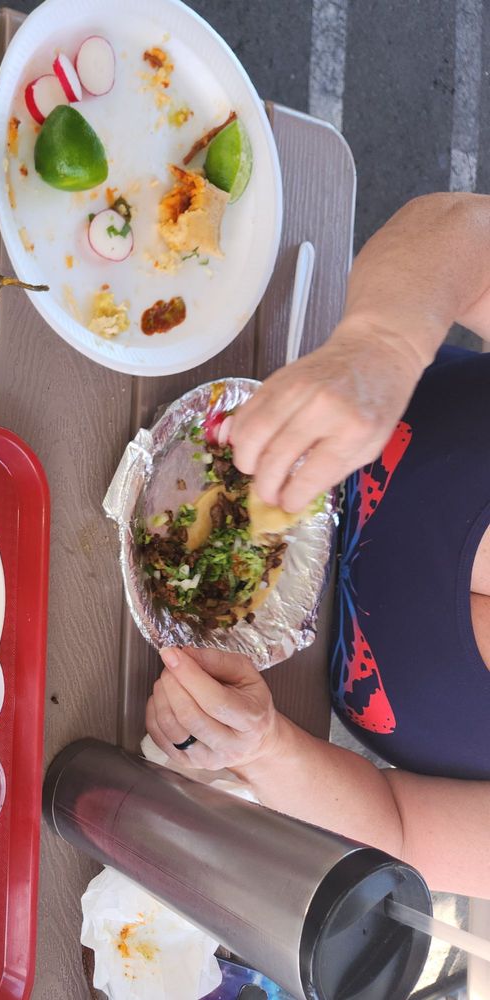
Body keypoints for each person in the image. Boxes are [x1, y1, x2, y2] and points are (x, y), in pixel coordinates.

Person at [144, 192, 490, 899]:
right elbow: (467, 238)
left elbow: (400, 830)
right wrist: (383, 346)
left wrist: (262, 746)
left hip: (217, 665)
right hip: (240, 362)